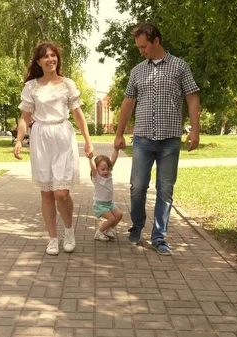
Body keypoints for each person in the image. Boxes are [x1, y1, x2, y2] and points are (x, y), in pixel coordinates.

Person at [114, 23, 201, 256]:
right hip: (142, 138)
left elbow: (192, 98)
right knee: (137, 187)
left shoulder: (180, 66)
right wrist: (119, 133)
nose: (141, 51)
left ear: (156, 41)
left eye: (144, 46)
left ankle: (159, 237)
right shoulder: (137, 71)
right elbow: (128, 103)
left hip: (170, 139)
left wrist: (195, 130)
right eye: (138, 47)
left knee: (165, 190)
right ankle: (137, 225)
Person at [14, 41, 94, 255]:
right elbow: (25, 118)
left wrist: (87, 141)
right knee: (47, 193)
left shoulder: (67, 84)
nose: (51, 59)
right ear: (38, 62)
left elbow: (78, 114)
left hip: (62, 137)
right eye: (45, 56)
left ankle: (69, 231)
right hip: (41, 139)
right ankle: (52, 238)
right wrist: (20, 140)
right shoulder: (31, 86)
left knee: (62, 193)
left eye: (53, 55)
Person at [89, 148, 123, 241]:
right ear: (97, 169)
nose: (105, 171)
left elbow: (113, 160)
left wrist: (116, 149)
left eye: (107, 169)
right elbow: (93, 168)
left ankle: (108, 230)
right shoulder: (97, 178)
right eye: (102, 169)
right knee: (111, 219)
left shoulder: (109, 174)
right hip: (100, 204)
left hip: (109, 203)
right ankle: (98, 233)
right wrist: (90, 159)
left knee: (119, 215)